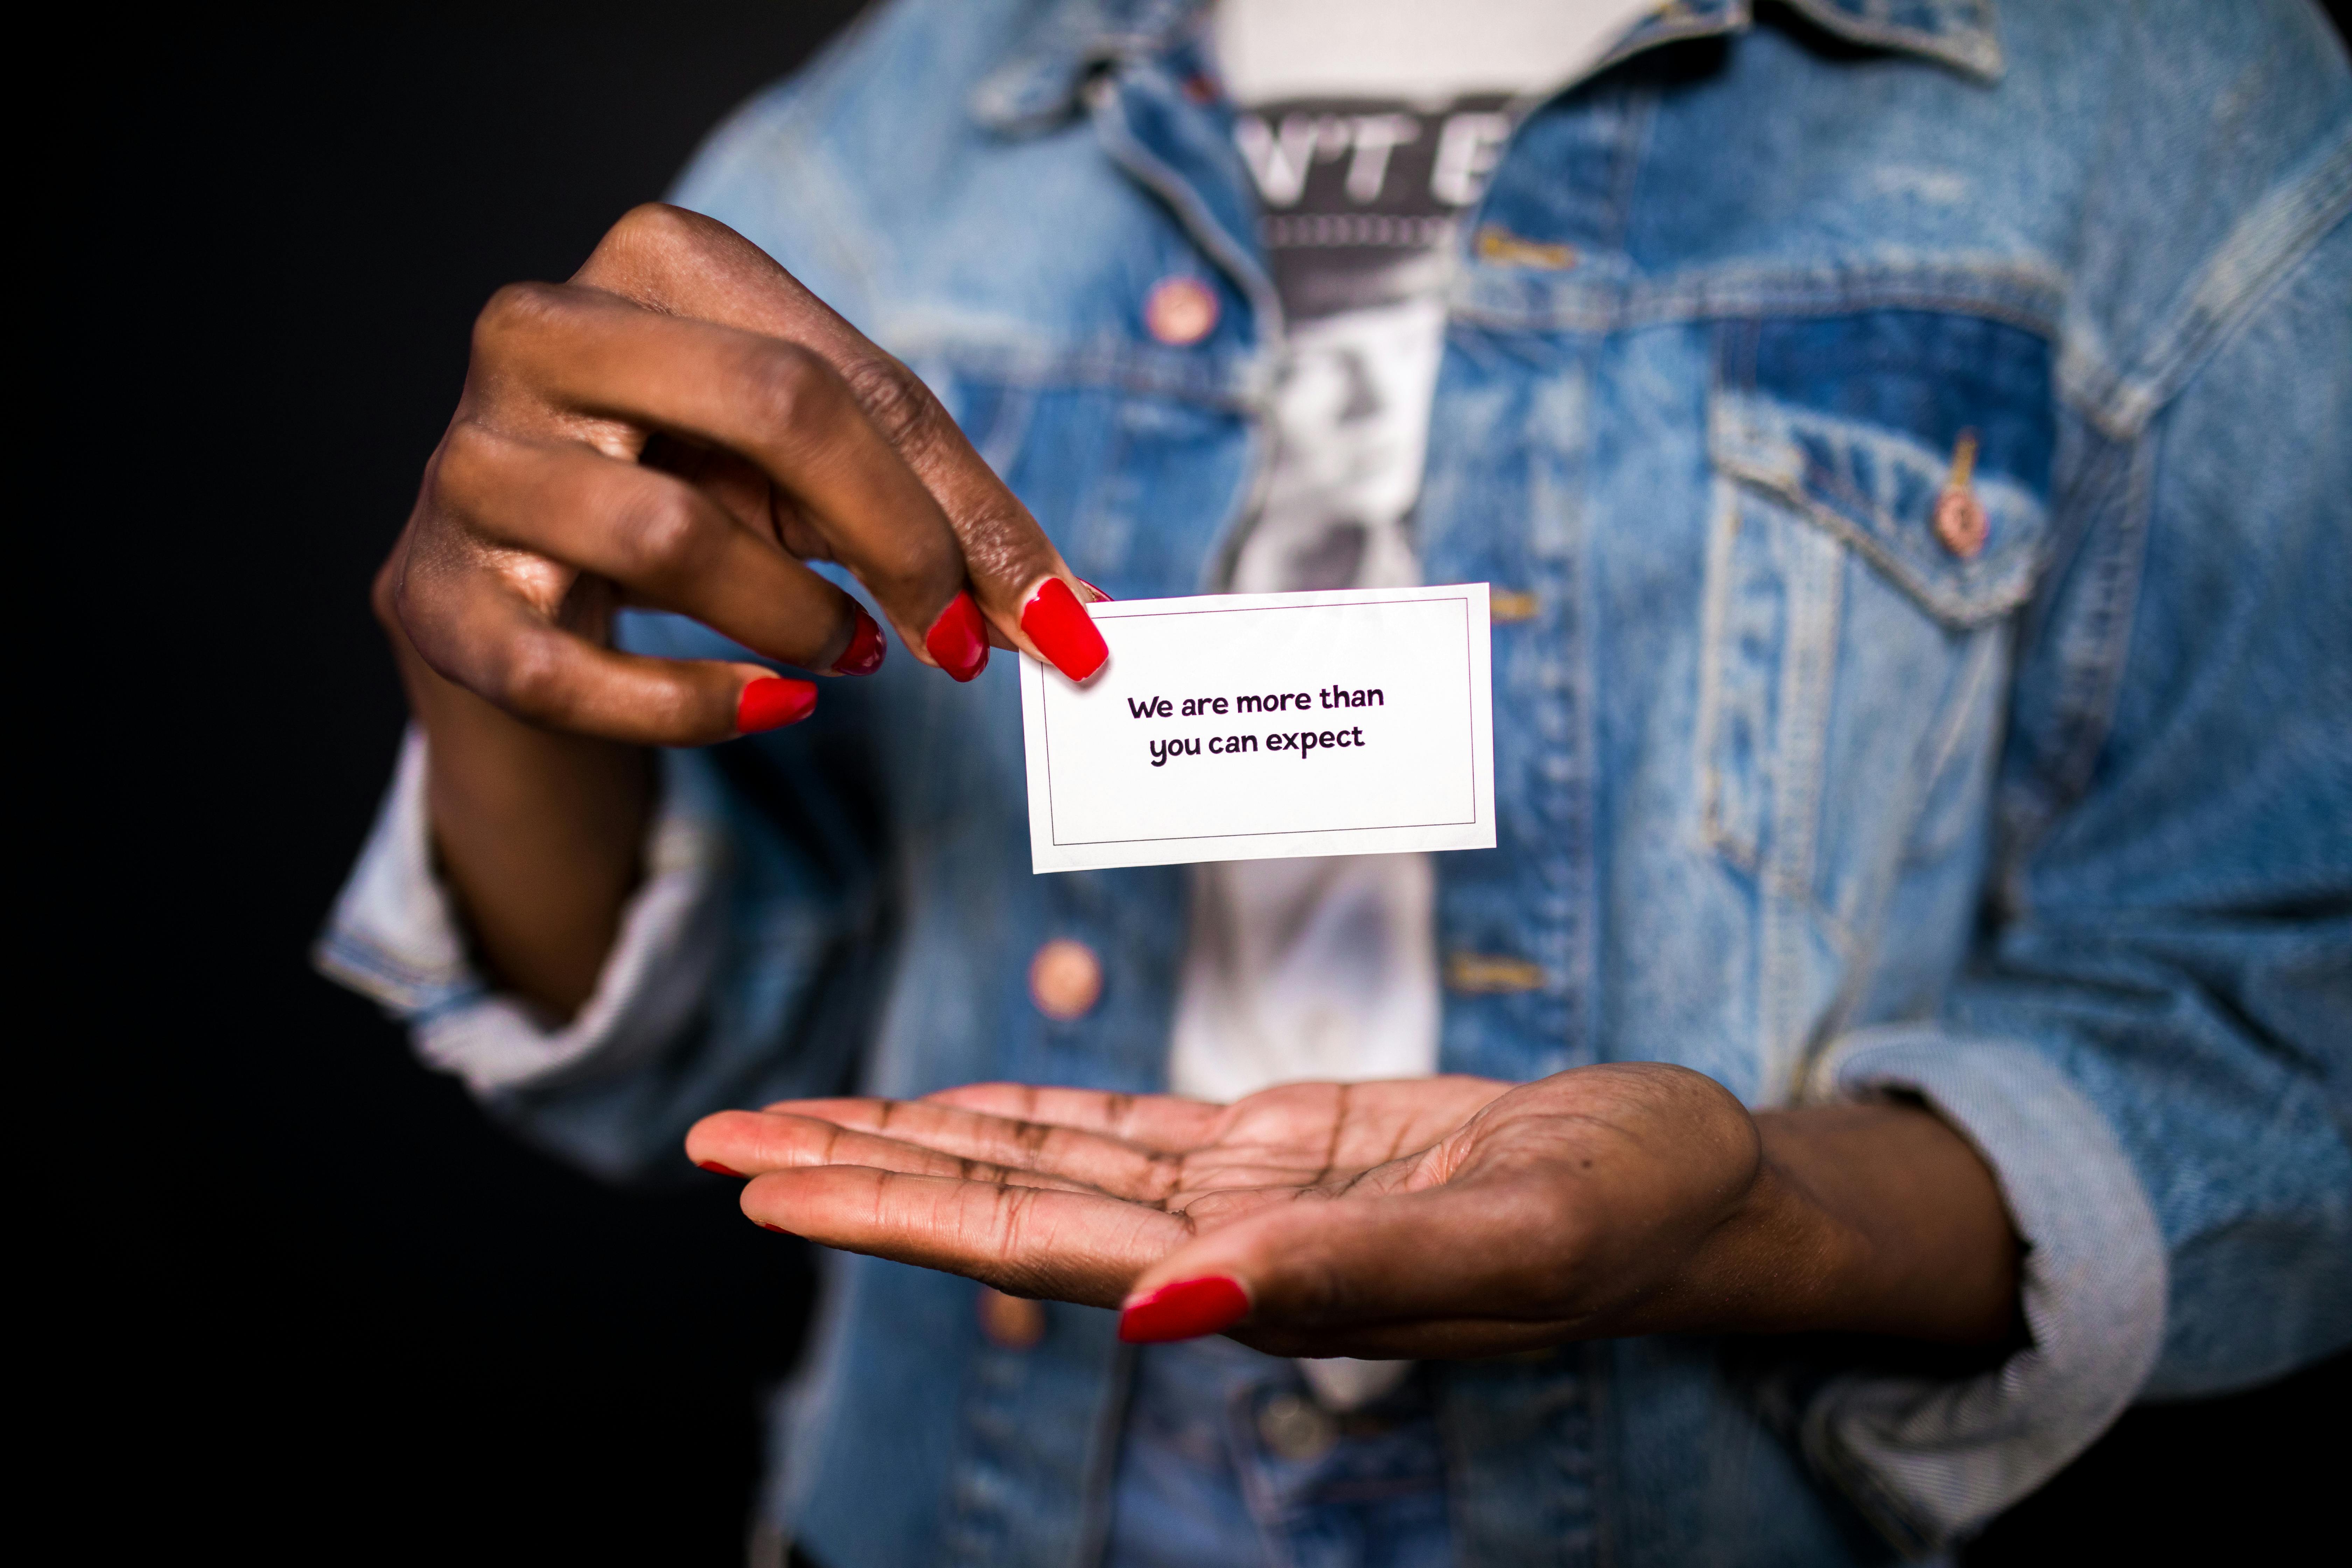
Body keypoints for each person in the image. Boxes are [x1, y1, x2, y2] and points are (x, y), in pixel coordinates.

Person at [316, 1, 2352, 1563]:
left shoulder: (2163, 102)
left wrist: (1764, 1214)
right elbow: (708, 1047)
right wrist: (500, 672)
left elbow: (2285, 1025)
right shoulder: (896, 126)